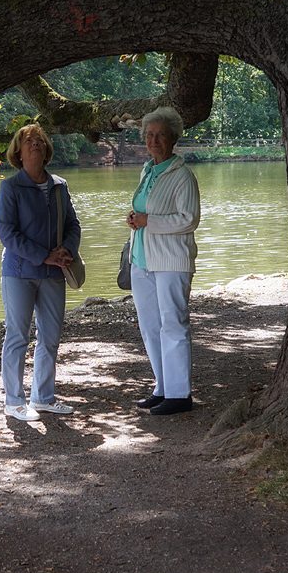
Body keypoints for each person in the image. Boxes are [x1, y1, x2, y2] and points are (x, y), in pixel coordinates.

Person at [0, 124, 81, 421]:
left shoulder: (60, 185)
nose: (35, 144)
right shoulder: (10, 187)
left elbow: (73, 224)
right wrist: (44, 256)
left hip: (54, 273)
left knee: (50, 337)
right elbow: (7, 234)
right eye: (28, 141)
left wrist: (66, 251)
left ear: (46, 149)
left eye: (40, 140)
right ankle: (14, 402)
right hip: (19, 272)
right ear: (18, 151)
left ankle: (43, 398)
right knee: (18, 335)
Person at [125, 106, 200, 416]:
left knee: (173, 325)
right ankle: (163, 387)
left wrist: (147, 221)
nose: (153, 140)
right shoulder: (147, 170)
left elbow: (189, 219)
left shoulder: (182, 175)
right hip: (142, 259)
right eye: (149, 135)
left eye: (161, 135)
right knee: (150, 326)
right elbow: (144, 211)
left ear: (174, 139)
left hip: (171, 260)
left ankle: (180, 395)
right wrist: (136, 220)